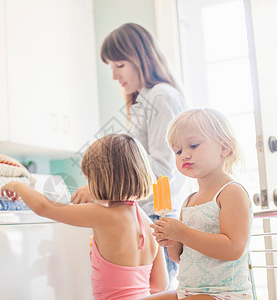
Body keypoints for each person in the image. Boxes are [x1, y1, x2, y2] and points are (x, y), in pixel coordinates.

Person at [71, 22, 188, 286]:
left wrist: (106, 188)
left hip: (159, 219)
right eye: (110, 66)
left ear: (141, 59)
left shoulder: (160, 97)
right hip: (148, 217)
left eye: (119, 65)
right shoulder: (144, 100)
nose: (113, 75)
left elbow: (164, 171)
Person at [1, 134, 168, 299]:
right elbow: (160, 284)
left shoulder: (102, 215)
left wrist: (18, 185)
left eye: (89, 178)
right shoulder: (149, 222)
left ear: (101, 179)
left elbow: (45, 207)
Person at [142, 108, 253, 300]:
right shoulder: (189, 200)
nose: (184, 154)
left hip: (225, 294)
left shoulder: (231, 192)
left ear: (224, 147)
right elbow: (180, 257)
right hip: (187, 291)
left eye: (193, 145)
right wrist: (172, 241)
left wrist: (183, 233)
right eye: (178, 151)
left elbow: (234, 248)